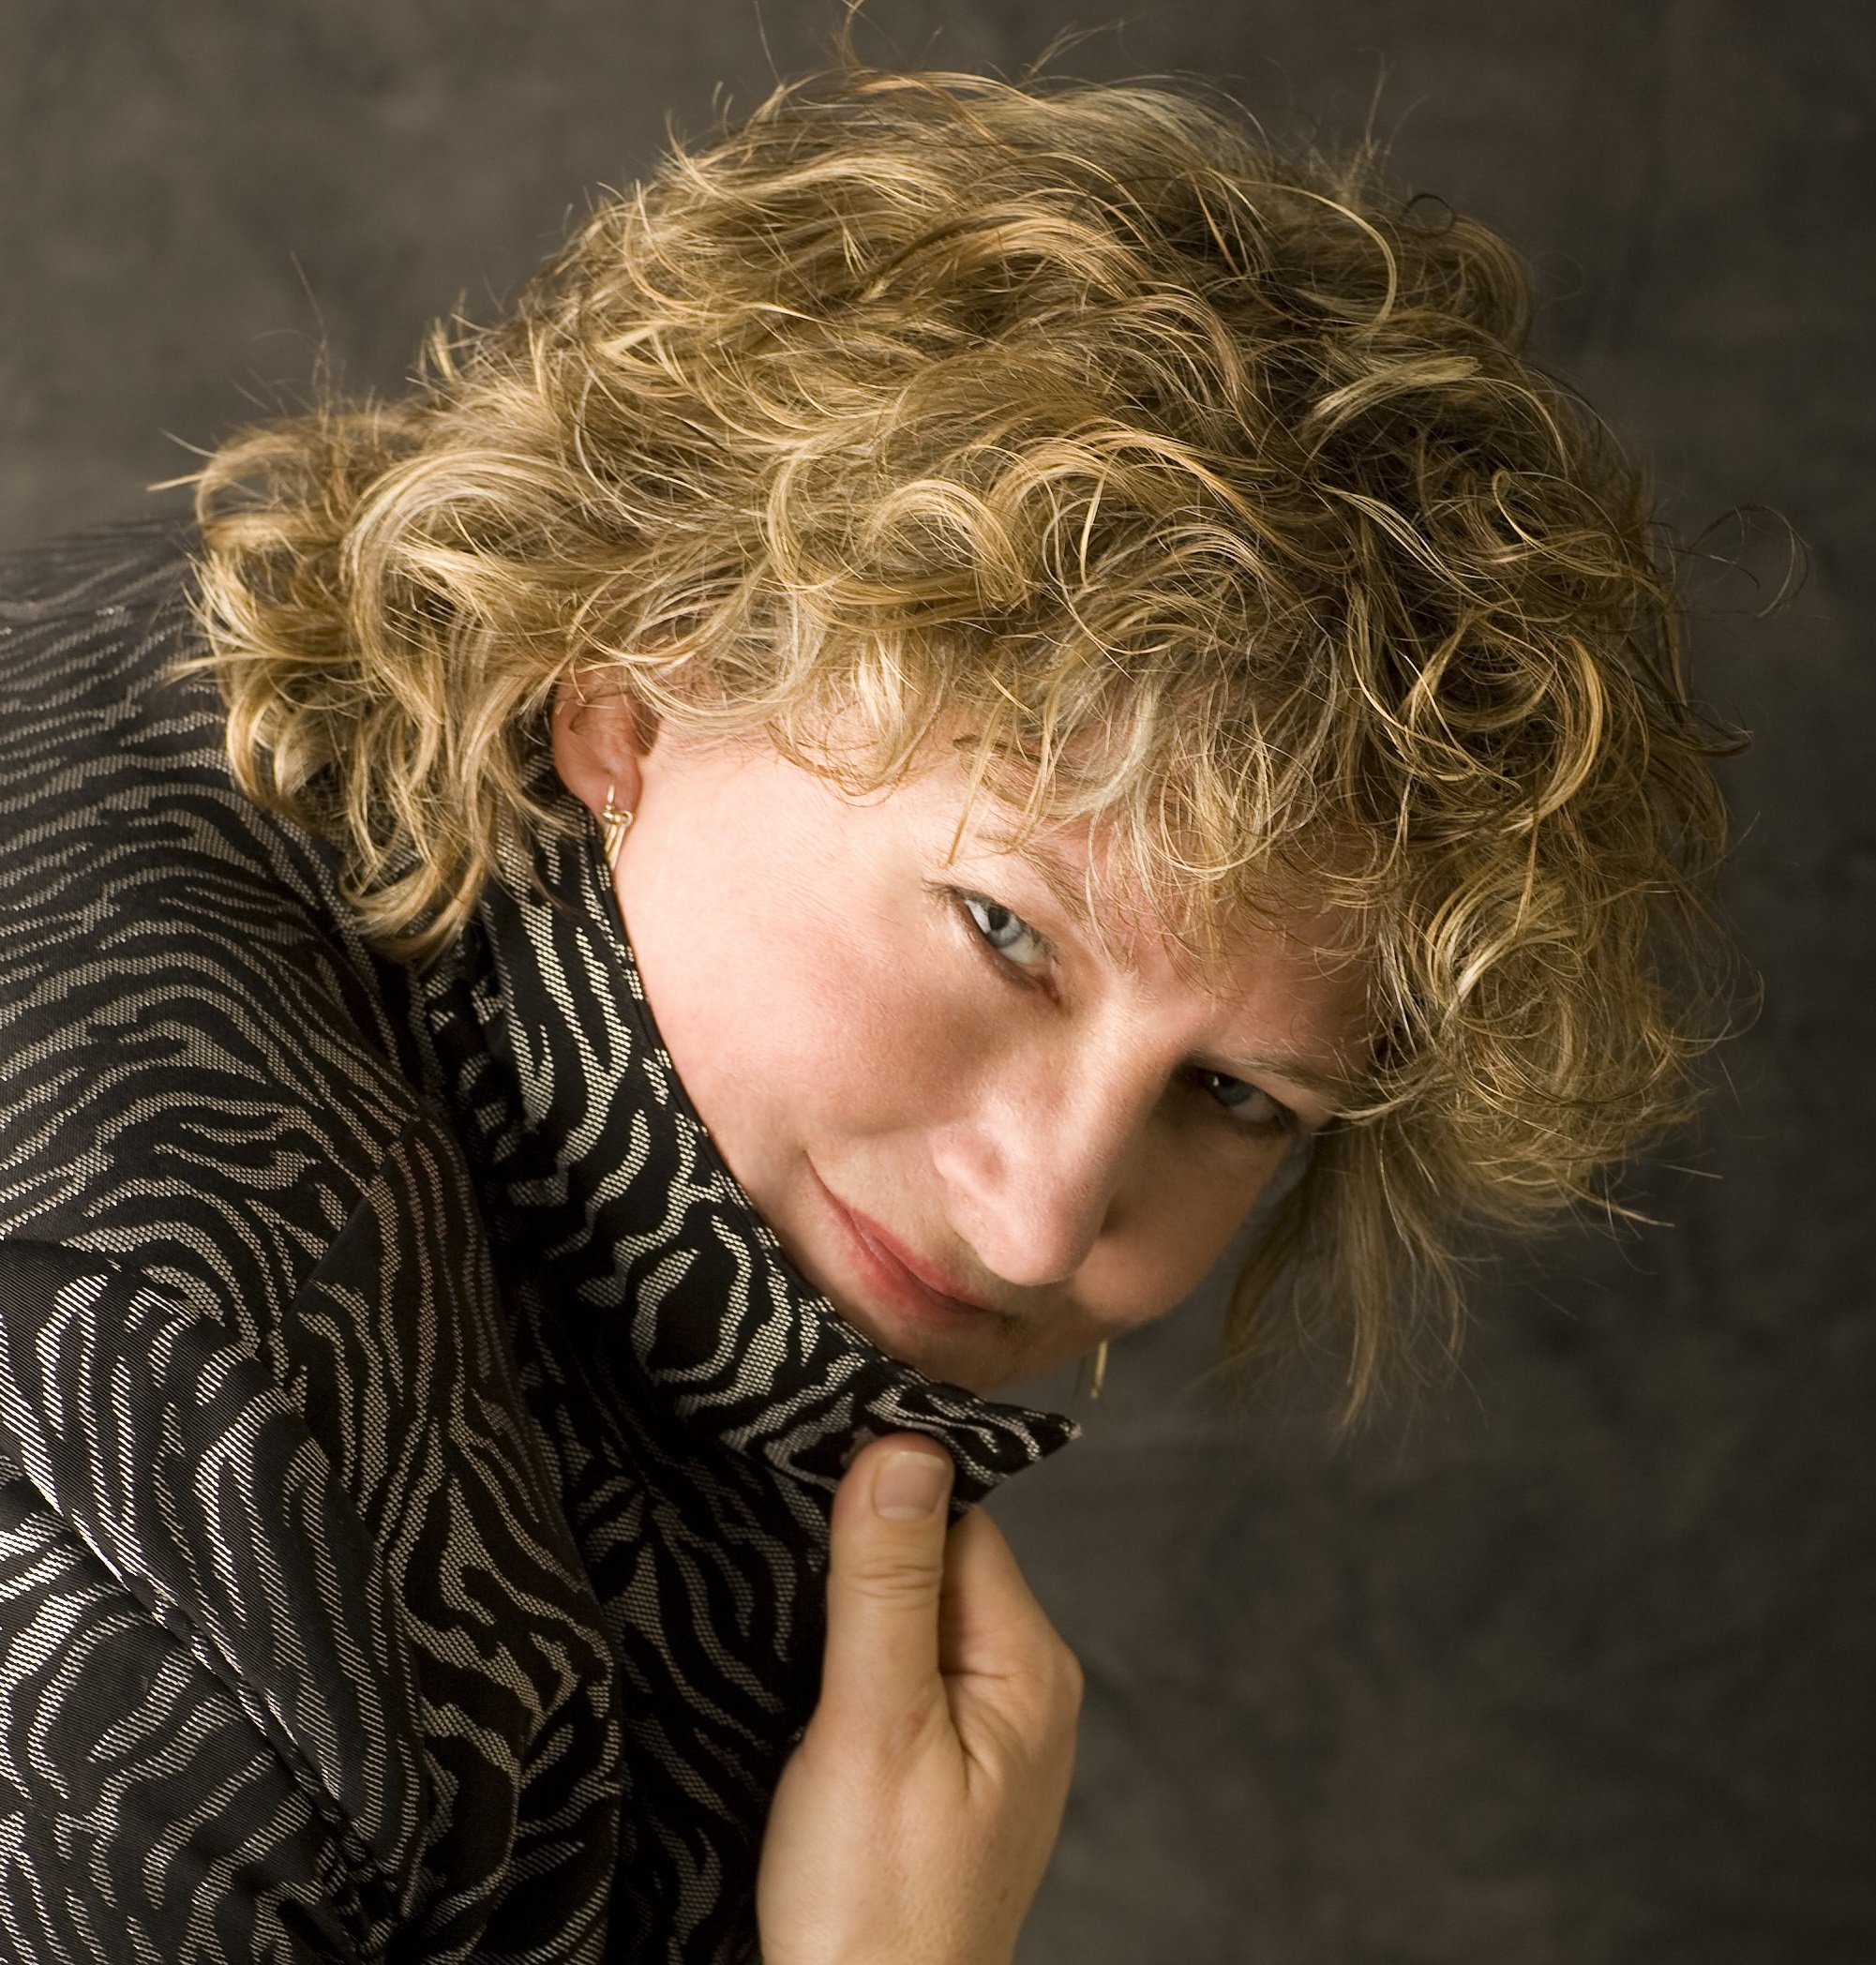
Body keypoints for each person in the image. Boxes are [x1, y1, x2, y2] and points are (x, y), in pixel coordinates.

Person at [0, 64, 1729, 1965]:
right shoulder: (166, 1496)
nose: (1042, 1224)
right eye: (1003, 932)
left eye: (1234, 1095)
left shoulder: (282, 665)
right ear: (635, 680)